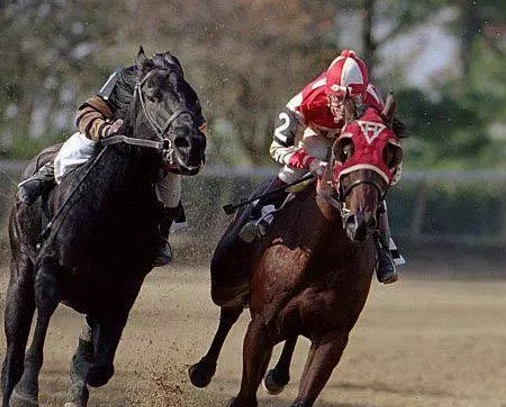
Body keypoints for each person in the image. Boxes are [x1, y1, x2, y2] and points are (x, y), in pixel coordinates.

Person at [16, 50, 201, 266]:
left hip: (155, 156)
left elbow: (197, 129)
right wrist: (103, 129)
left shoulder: (183, 94)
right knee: (76, 147)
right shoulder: (123, 78)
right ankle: (46, 174)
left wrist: (183, 156)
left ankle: (160, 240)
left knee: (172, 195)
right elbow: (87, 111)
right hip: (109, 141)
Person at [237, 48, 401, 284]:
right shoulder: (305, 100)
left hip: (354, 139)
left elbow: (387, 151)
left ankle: (384, 250)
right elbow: (277, 148)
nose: (343, 106)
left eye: (352, 100)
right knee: (293, 171)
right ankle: (262, 214)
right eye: (338, 98)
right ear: (327, 91)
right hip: (317, 136)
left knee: (366, 179)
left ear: (363, 94)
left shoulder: (373, 102)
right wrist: (311, 162)